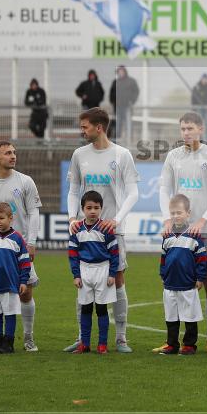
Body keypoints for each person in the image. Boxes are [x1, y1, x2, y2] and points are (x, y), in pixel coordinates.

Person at [64, 108, 140, 353]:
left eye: (85, 126)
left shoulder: (122, 154)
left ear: (99, 127)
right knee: (83, 282)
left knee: (117, 279)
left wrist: (116, 220)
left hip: (111, 229)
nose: (81, 130)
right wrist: (71, 218)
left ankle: (120, 337)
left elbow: (133, 192)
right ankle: (82, 337)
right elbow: (74, 189)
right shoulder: (79, 155)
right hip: (84, 229)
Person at [157, 112, 207, 354]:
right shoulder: (173, 157)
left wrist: (203, 219)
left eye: (190, 128)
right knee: (174, 284)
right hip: (178, 232)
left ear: (200, 129)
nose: (186, 133)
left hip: (205, 230)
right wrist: (167, 218)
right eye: (183, 129)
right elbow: (164, 188)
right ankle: (174, 341)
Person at [0, 141, 43, 352]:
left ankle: (28, 337)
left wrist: (31, 242)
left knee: (25, 293)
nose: (13, 156)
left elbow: (34, 213)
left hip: (19, 249)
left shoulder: (25, 181)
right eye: (7, 153)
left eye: (14, 152)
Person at [68, 191, 119, 355]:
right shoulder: (76, 229)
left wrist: (112, 274)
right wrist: (76, 275)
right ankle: (85, 343)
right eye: (89, 207)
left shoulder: (106, 229)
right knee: (86, 308)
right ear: (82, 209)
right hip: (84, 271)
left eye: (96, 208)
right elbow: (73, 254)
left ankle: (102, 344)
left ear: (101, 209)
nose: (92, 211)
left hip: (103, 270)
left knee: (102, 309)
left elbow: (114, 253)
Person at [156, 194, 207, 355]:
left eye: (179, 212)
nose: (176, 216)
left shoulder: (195, 236)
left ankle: (190, 345)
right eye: (173, 213)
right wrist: (162, 274)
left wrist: (200, 278)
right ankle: (172, 344)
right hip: (170, 283)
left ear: (188, 213)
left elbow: (202, 259)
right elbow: (164, 258)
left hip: (188, 284)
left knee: (190, 316)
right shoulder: (167, 236)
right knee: (171, 316)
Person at [0, 202, 31, 354]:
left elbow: (24, 262)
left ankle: (8, 344)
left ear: (11, 219)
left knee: (9, 314)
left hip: (10, 284)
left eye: (1, 218)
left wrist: (23, 281)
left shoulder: (17, 239)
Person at [109, 65, 139, 140]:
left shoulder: (131, 81)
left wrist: (132, 101)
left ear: (125, 72)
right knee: (118, 125)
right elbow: (111, 93)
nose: (121, 73)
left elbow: (136, 91)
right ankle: (117, 142)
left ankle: (129, 141)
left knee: (128, 125)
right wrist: (113, 102)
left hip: (127, 107)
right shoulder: (115, 82)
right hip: (118, 107)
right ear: (117, 73)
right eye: (119, 71)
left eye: (122, 71)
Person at [191, 74, 207, 141]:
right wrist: (194, 108)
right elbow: (193, 98)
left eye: (206, 79)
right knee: (199, 125)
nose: (205, 80)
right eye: (204, 78)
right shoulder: (196, 87)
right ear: (201, 79)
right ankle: (199, 140)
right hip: (199, 109)